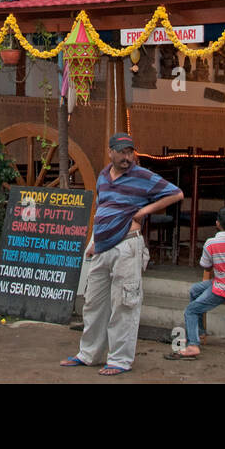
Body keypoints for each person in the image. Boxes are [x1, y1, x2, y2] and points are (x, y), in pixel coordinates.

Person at [60, 133, 183, 375]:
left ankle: (119, 360)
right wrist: (95, 241)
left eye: (130, 152)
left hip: (127, 246)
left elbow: (176, 194)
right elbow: (103, 206)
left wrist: (143, 211)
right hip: (102, 246)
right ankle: (88, 354)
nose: (127, 157)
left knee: (124, 304)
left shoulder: (142, 175)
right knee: (93, 303)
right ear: (111, 152)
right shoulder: (104, 176)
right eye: (122, 152)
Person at [168, 206, 225, 359]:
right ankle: (200, 333)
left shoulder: (210, 243)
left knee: (191, 310)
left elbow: (206, 266)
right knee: (195, 290)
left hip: (223, 288)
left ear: (217, 224)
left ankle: (193, 345)